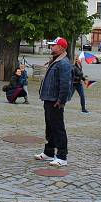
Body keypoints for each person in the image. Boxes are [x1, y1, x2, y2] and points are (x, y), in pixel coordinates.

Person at [34, 37, 72, 167]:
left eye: (53, 45)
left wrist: (61, 100)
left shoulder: (64, 63)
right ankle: (49, 152)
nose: (51, 47)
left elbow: (65, 84)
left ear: (61, 47)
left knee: (58, 128)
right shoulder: (55, 61)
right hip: (49, 98)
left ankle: (62, 156)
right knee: (50, 127)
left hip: (55, 101)